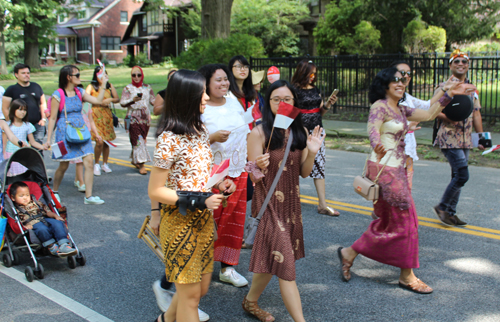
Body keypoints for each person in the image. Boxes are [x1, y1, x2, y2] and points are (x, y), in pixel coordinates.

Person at [337, 67, 476, 294]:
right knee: (406, 221)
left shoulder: (402, 109)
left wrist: (449, 94)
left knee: (395, 222)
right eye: (396, 80)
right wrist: (376, 144)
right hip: (383, 169)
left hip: (397, 169)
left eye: (403, 80)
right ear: (384, 85)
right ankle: (406, 275)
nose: (401, 83)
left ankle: (350, 253)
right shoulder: (379, 106)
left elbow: (431, 113)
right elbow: (372, 129)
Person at [148, 69, 236, 322]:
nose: (207, 97)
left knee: (202, 289)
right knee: (190, 297)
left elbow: (197, 176)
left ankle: (165, 320)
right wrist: (199, 200)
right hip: (179, 224)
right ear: (188, 97)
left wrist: (220, 184)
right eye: (202, 93)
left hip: (203, 221)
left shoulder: (199, 131)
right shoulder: (168, 138)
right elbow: (155, 189)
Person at [243, 80, 324, 322]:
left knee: (275, 258)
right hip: (267, 206)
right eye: (276, 99)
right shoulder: (258, 133)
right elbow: (252, 176)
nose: (282, 103)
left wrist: (312, 150)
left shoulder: (299, 132)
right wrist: (258, 166)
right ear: (268, 103)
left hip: (290, 206)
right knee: (286, 267)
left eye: (287, 99)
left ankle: (250, 301)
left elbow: (305, 172)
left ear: (294, 103)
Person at [198, 64, 249, 287]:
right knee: (210, 221)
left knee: (234, 221)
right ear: (207, 83)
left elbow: (247, 129)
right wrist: (213, 136)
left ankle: (228, 268)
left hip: (239, 170)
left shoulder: (233, 100)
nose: (224, 83)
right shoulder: (200, 107)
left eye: (225, 79)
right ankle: (198, 268)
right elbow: (192, 143)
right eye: (218, 80)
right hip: (212, 174)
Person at [433, 49, 484, 227]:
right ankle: (443, 207)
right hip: (449, 136)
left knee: (458, 175)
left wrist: (482, 137)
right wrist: (450, 118)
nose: (461, 64)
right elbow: (432, 109)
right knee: (462, 174)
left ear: (468, 65)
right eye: (457, 61)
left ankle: (451, 214)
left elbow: (476, 113)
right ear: (450, 65)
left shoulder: (471, 89)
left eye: (464, 61)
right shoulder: (443, 87)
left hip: (466, 138)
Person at [45, 65, 109, 205]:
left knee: (89, 162)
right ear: (68, 77)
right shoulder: (58, 94)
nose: (80, 77)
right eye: (77, 75)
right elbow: (53, 118)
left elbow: (97, 101)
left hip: (80, 131)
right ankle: (54, 192)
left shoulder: (80, 92)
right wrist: (48, 139)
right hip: (63, 133)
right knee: (63, 165)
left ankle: (89, 196)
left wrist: (103, 84)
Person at [291, 59, 339, 216]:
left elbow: (319, 111)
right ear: (302, 72)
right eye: (311, 73)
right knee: (294, 164)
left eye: (315, 74)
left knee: (319, 165)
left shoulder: (315, 89)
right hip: (299, 131)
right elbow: (289, 112)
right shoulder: (293, 90)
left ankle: (322, 204)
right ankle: (290, 200)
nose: (313, 76)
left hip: (317, 131)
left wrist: (328, 105)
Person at [10, 181, 77, 257]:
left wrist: (55, 215)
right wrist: (25, 225)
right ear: (13, 197)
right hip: (32, 223)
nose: (25, 198)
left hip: (43, 218)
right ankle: (51, 246)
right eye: (21, 196)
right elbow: (17, 220)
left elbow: (47, 211)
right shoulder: (15, 209)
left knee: (57, 223)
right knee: (41, 228)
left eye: (27, 195)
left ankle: (64, 244)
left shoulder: (36, 202)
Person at [2, 63, 47, 154]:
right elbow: (5, 108)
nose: (26, 75)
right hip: (19, 125)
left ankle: (36, 167)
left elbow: (42, 103)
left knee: (37, 151)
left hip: (37, 124)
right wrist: (11, 122)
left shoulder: (36, 86)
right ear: (16, 75)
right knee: (20, 149)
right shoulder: (11, 90)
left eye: (28, 73)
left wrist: (43, 118)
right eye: (23, 73)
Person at [119, 66, 155, 175]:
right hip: (133, 117)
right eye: (133, 75)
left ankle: (135, 159)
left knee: (140, 140)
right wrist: (132, 100)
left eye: (138, 75)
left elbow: (153, 101)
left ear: (142, 75)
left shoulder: (147, 88)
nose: (136, 77)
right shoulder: (128, 88)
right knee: (139, 140)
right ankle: (142, 165)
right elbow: (122, 102)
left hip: (145, 118)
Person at [86, 66, 118, 176]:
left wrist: (110, 99)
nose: (102, 77)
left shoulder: (110, 86)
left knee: (106, 142)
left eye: (104, 75)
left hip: (107, 116)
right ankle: (96, 164)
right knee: (99, 141)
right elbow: (85, 99)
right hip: (95, 116)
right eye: (100, 75)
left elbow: (117, 99)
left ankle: (105, 163)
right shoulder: (91, 87)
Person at [3, 99, 47, 176]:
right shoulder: (7, 125)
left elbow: (32, 142)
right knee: (11, 176)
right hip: (10, 154)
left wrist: (43, 147)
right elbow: (4, 143)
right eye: (20, 110)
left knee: (23, 175)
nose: (23, 112)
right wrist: (4, 155)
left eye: (25, 110)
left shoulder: (28, 125)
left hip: (24, 153)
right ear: (13, 110)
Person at [227, 55, 256, 127]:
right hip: (237, 135)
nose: (243, 69)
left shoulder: (250, 93)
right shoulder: (227, 94)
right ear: (231, 69)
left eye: (246, 67)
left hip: (251, 135)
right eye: (239, 66)